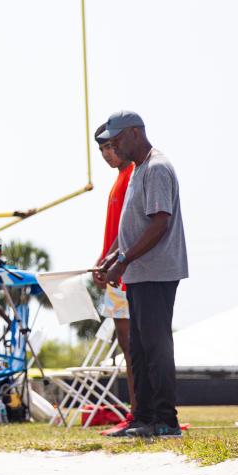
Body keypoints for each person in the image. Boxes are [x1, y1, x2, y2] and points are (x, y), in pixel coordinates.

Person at [95, 111, 188, 439]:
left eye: (119, 139)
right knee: (138, 348)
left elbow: (159, 222)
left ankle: (166, 420)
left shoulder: (157, 167)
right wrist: (109, 259)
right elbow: (130, 226)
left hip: (156, 271)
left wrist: (123, 260)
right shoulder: (137, 170)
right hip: (137, 272)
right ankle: (143, 418)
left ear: (136, 133)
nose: (115, 145)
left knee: (155, 344)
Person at [91, 122, 137, 436]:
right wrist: (102, 259)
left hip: (128, 271)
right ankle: (137, 409)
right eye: (102, 149)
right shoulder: (119, 179)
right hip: (115, 271)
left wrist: (114, 261)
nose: (108, 154)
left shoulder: (134, 174)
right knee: (125, 342)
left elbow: (131, 229)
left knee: (134, 344)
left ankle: (141, 410)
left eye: (110, 146)